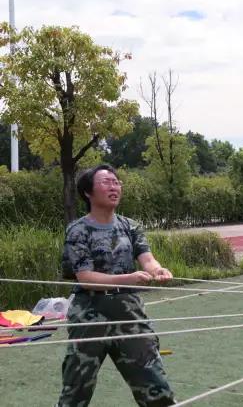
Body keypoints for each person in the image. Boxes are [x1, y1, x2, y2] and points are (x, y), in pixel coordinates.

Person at [57, 164, 176, 407]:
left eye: (116, 182)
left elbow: (147, 258)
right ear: (88, 193)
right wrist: (127, 278)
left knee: (155, 385)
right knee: (76, 390)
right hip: (89, 316)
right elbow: (85, 277)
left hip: (129, 313)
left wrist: (157, 269)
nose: (114, 187)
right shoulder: (78, 230)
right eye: (106, 182)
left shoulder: (130, 226)